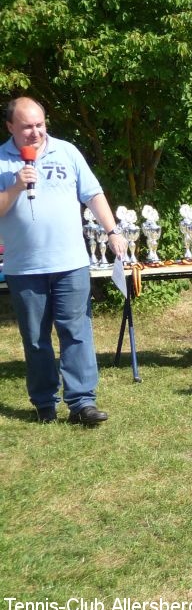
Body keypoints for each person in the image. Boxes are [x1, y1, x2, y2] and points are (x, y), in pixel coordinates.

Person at [0, 97, 127, 425]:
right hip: (25, 268)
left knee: (77, 331)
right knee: (35, 338)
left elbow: (93, 194)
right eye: (27, 126)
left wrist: (112, 231)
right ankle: (44, 403)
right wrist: (16, 186)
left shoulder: (67, 152)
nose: (35, 132)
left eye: (40, 124)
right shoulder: (1, 160)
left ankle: (82, 403)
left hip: (70, 262)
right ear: (10, 126)